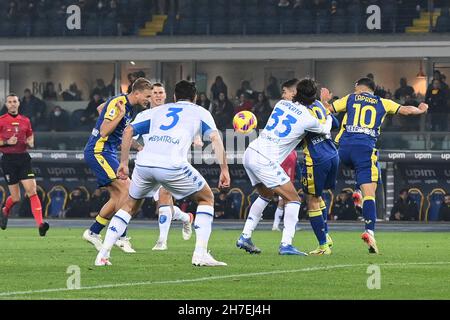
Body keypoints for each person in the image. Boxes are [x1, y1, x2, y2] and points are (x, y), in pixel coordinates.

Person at [94, 80, 230, 267]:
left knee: (130, 206)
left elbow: (128, 130)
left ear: (174, 97)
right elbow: (215, 138)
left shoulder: (156, 111)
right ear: (195, 97)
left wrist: (124, 163)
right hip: (171, 165)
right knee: (206, 198)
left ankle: (103, 255)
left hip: (144, 165)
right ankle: (200, 254)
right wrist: (224, 169)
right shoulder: (200, 112)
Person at [321, 77, 428, 254]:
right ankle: (369, 231)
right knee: (370, 192)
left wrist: (325, 99)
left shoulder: (350, 98)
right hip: (364, 149)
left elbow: (327, 110)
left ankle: (352, 196)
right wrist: (420, 110)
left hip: (343, 149)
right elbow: (406, 111)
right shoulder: (383, 102)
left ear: (358, 87)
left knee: (326, 187)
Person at [236, 78, 332, 256]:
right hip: (265, 159)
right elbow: (326, 129)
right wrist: (326, 110)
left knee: (265, 194)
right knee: (294, 199)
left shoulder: (281, 104)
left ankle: (245, 236)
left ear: (295, 94)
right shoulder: (308, 119)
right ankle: (286, 244)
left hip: (251, 152)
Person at [82, 78, 152, 254]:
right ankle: (121, 236)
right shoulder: (120, 103)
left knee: (116, 197)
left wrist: (138, 146)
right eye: (147, 96)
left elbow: (101, 109)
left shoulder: (124, 105)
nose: (148, 99)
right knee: (127, 190)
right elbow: (105, 131)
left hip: (108, 151)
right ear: (136, 93)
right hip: (99, 151)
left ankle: (93, 232)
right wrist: (118, 116)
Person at [132, 83, 194, 251]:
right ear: (149, 96)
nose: (158, 95)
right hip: (149, 163)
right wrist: (139, 147)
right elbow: (129, 135)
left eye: (161, 92)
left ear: (166, 95)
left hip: (171, 161)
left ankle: (162, 241)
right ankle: (186, 218)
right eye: (154, 93)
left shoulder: (174, 112)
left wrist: (196, 139)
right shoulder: (144, 115)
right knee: (161, 204)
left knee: (164, 195)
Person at [295, 79, 340, 255]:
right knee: (318, 196)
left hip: (316, 158)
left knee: (311, 200)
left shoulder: (299, 111)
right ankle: (326, 236)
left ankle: (323, 245)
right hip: (332, 153)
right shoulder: (319, 105)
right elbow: (335, 124)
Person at [0, 94, 49, 236]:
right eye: (9, 102)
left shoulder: (25, 120)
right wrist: (7, 142)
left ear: (18, 103)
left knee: (32, 191)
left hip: (23, 158)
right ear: (6, 104)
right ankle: (5, 210)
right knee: (16, 198)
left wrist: (31, 141)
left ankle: (40, 224)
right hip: (8, 160)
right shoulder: (1, 121)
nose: (12, 104)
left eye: (15, 101)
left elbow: (30, 135)